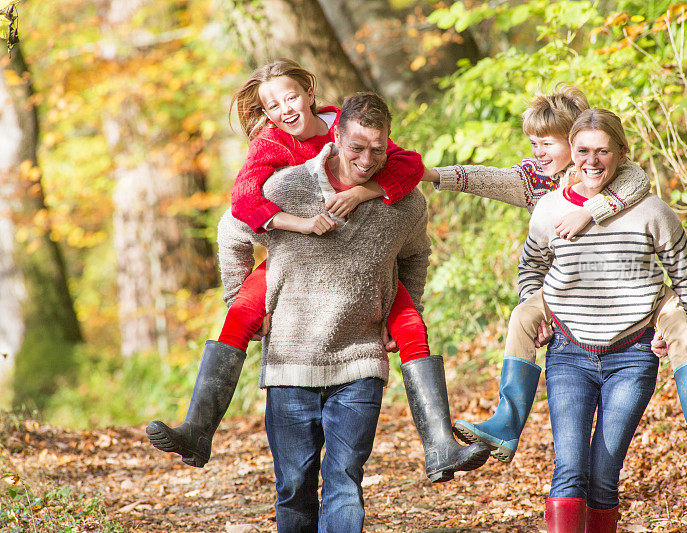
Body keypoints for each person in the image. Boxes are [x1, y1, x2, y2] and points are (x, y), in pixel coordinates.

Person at [147, 60, 488, 481]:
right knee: (238, 315)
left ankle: (439, 446)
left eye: (291, 97)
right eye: (273, 105)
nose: (286, 110)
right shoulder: (270, 144)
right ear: (265, 113)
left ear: (309, 92)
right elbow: (242, 207)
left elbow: (409, 167)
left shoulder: (342, 125)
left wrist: (364, 192)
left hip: (366, 261)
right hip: (297, 258)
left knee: (413, 328)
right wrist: (297, 226)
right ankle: (198, 429)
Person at [215, 92, 489, 532]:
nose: (366, 159)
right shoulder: (287, 188)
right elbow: (231, 231)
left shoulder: (405, 203)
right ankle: (199, 425)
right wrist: (239, 298)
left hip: (361, 361)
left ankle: (439, 445)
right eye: (357, 147)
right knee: (294, 487)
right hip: (290, 363)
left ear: (388, 144)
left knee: (344, 481)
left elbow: (417, 256)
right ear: (336, 135)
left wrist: (407, 310)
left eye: (377, 150)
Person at [519, 108, 687, 532]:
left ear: (620, 153)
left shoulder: (652, 211)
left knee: (603, 475)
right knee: (570, 469)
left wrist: (676, 324)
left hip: (632, 356)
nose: (591, 162)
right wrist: (536, 310)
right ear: (571, 152)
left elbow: (683, 272)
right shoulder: (548, 209)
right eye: (582, 151)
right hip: (568, 354)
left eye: (602, 152)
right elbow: (530, 268)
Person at [422, 86, 651, 462]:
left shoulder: (612, 175)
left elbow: (637, 181)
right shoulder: (539, 181)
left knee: (604, 458)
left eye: (546, 143)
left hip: (619, 308)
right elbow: (489, 179)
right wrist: (431, 173)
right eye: (533, 143)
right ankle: (506, 424)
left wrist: (590, 211)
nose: (537, 152)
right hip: (565, 300)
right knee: (521, 318)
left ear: (576, 140)